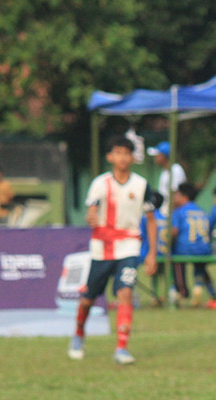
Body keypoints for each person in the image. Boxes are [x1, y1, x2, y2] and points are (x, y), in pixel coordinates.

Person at [68, 136, 158, 365]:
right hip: (102, 247)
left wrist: (152, 253)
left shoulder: (141, 185)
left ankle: (121, 347)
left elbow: (151, 220)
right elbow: (92, 211)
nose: (122, 158)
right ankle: (79, 333)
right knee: (88, 300)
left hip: (129, 245)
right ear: (110, 157)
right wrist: (91, 217)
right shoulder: (100, 183)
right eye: (118, 153)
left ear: (133, 157)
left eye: (126, 153)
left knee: (125, 292)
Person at [170, 183, 216, 308]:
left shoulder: (178, 212)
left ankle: (181, 291)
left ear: (184, 197)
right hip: (203, 249)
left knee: (174, 259)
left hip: (184, 249)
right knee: (199, 265)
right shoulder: (202, 211)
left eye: (176, 195)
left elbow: (174, 232)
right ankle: (198, 286)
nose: (174, 198)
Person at [138, 193, 170, 306]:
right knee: (164, 274)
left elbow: (140, 236)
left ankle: (152, 296)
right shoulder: (166, 218)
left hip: (149, 253)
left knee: (128, 264)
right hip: (165, 253)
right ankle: (168, 294)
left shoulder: (146, 218)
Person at [147, 141, 186, 217]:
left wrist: (169, 217)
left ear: (163, 156)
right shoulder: (164, 171)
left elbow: (176, 196)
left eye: (157, 155)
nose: (155, 158)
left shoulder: (175, 170)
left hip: (170, 215)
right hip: (164, 212)